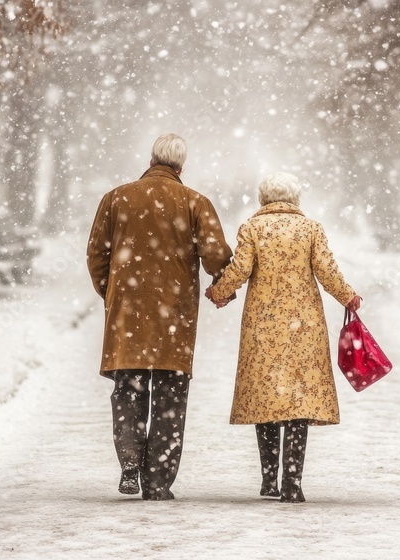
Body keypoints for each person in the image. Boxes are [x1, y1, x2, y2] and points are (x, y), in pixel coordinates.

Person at [87, 133, 233, 501]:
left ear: (151, 160)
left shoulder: (116, 198)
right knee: (170, 394)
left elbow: (96, 255)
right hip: (175, 315)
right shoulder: (195, 203)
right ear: (181, 167)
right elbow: (217, 256)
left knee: (129, 388)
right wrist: (222, 286)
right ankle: (158, 480)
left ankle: (131, 461)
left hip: (128, 311)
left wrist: (113, 292)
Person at [206, 172, 361, 503]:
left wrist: (219, 291)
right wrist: (347, 296)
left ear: (263, 198)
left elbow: (240, 269)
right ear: (295, 198)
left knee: (267, 399)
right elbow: (327, 271)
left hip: (263, 325)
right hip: (303, 325)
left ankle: (268, 480)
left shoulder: (252, 228)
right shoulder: (310, 229)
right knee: (297, 402)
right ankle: (293, 482)